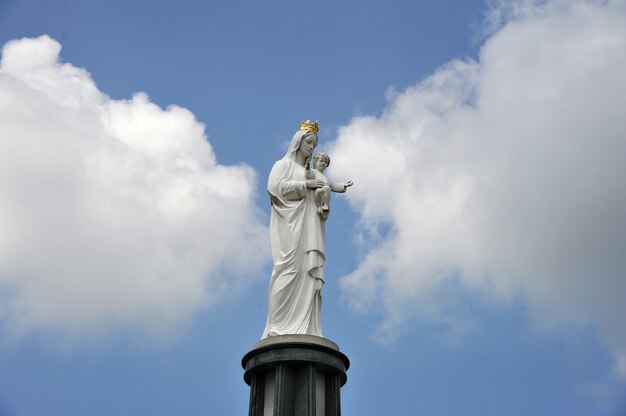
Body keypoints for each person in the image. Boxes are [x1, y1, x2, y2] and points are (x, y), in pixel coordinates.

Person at [261, 121, 328, 338]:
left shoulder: (310, 173)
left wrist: (321, 199)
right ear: (298, 143)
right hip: (289, 227)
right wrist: (305, 186)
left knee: (307, 274)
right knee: (287, 269)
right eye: (309, 142)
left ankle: (307, 328)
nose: (311, 148)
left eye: (314, 144)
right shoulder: (283, 165)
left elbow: (320, 198)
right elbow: (275, 189)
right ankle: (277, 325)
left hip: (309, 229)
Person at [312, 152, 353, 221]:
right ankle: (319, 206)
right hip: (313, 199)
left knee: (327, 188)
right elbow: (306, 177)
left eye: (325, 162)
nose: (323, 163)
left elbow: (335, 185)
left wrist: (344, 185)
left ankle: (325, 205)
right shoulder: (312, 172)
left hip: (322, 199)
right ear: (315, 162)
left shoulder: (326, 179)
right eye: (321, 161)